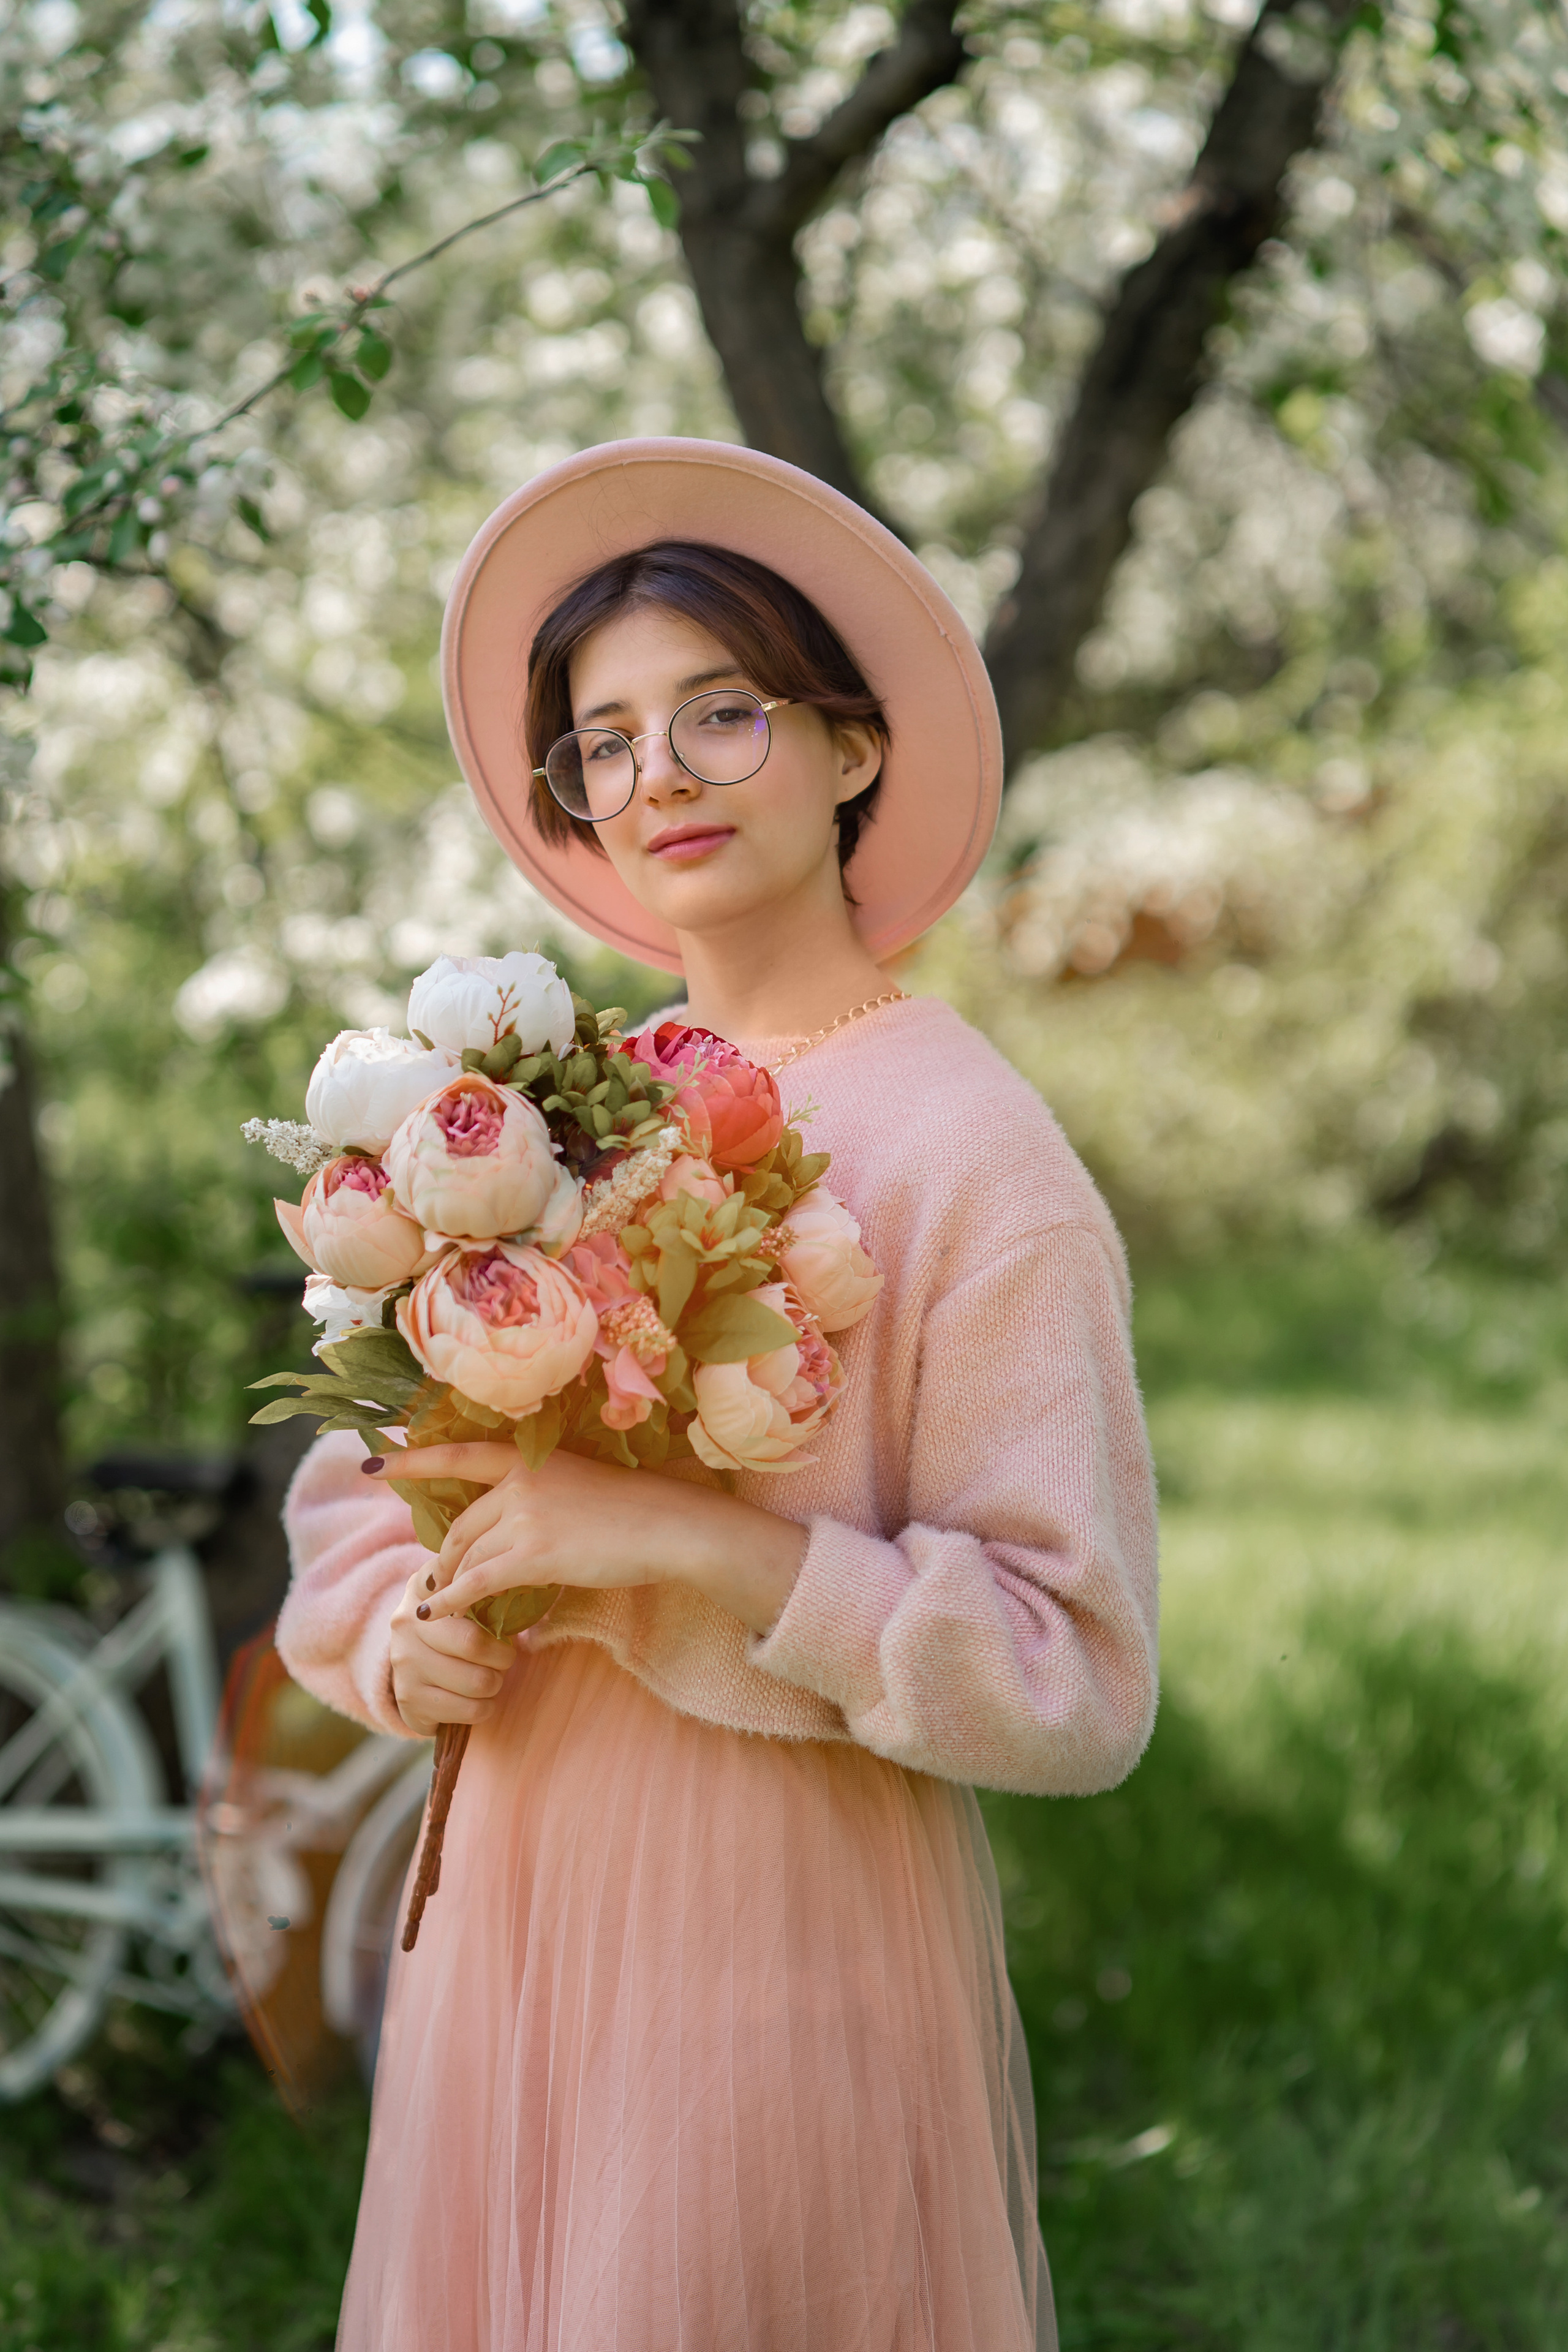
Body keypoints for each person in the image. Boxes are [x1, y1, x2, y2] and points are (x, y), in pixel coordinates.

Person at [277, 439, 1159, 2352]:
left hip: (772, 1923)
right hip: (513, 1892)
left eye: (723, 714)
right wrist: (393, 1630)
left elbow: (1070, 1678)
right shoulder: (528, 1109)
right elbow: (368, 1490)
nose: (656, 774)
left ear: (850, 749)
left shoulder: (973, 1155)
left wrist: (689, 1543)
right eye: (605, 742)